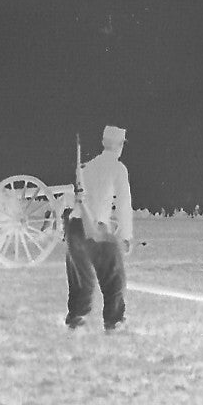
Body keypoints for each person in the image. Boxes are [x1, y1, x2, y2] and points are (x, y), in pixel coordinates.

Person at [65, 124, 134, 332]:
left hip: (75, 227)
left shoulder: (85, 168)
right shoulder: (118, 169)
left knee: (81, 279)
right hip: (96, 229)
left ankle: (76, 320)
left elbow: (72, 199)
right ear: (120, 145)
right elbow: (123, 204)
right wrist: (125, 236)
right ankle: (114, 322)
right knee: (114, 278)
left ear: (104, 143)